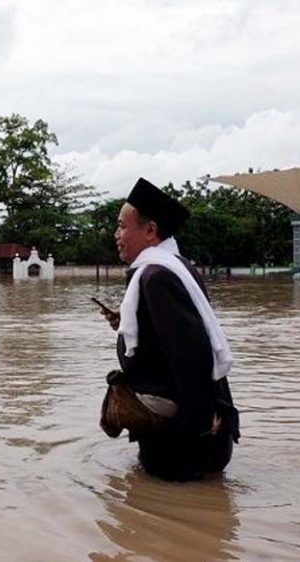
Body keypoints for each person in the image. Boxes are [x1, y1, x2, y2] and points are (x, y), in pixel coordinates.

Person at [98, 178, 239, 481]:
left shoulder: (156, 277)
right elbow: (174, 338)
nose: (116, 235)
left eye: (123, 226)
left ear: (150, 231)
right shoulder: (177, 266)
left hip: (181, 444)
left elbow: (192, 357)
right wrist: (126, 324)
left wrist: (200, 426)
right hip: (198, 436)